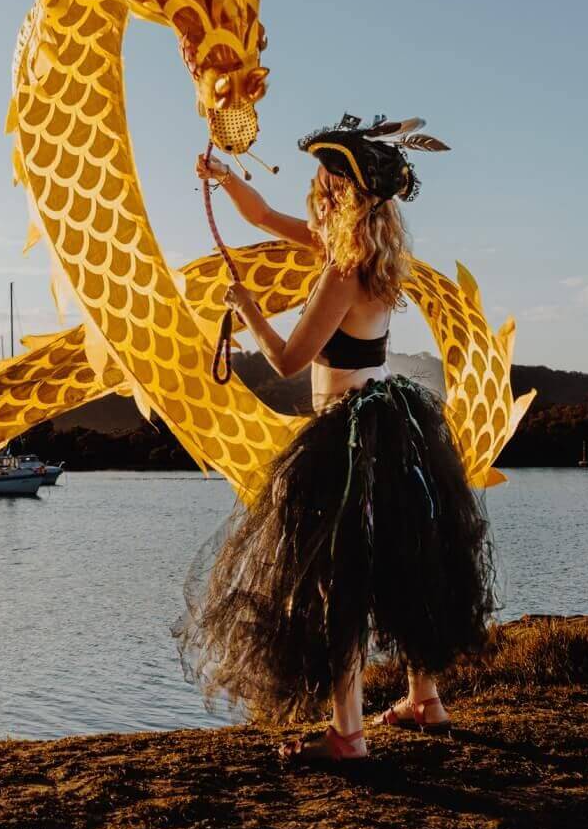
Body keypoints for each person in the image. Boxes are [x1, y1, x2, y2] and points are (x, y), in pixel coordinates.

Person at [175, 113, 496, 762]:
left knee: (337, 582)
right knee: (407, 564)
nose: (313, 190)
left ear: (338, 193)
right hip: (393, 425)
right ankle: (424, 700)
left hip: (344, 437)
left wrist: (248, 313)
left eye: (322, 180)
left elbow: (291, 360)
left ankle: (347, 734)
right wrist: (222, 177)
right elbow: (264, 218)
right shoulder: (375, 259)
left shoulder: (339, 271)